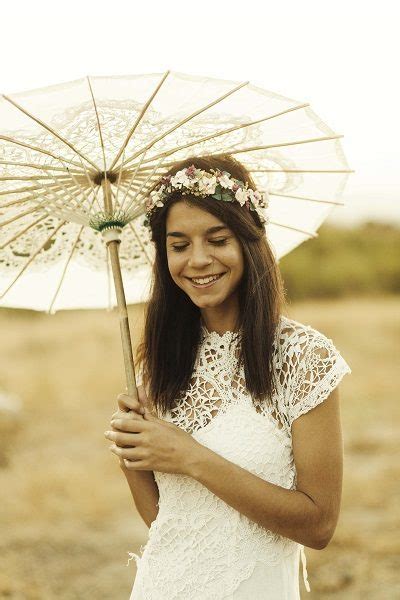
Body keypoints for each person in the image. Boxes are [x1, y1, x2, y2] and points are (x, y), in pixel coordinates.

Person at [103, 154, 352, 599]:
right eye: (178, 245)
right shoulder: (160, 362)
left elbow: (318, 525)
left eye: (217, 239)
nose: (197, 260)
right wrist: (132, 453)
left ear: (248, 242)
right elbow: (170, 522)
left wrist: (189, 456)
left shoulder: (303, 358)